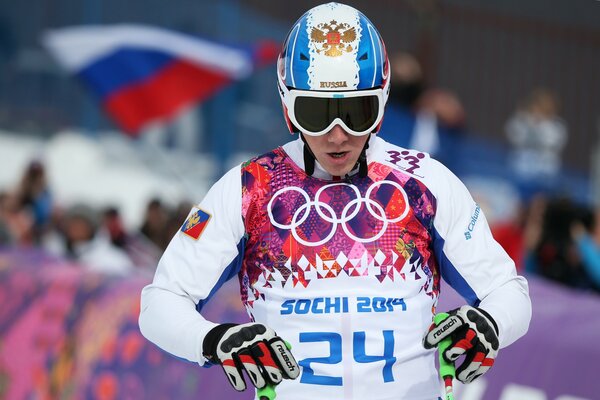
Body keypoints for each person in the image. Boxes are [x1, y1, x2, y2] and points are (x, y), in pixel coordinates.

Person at [139, 3, 531, 399]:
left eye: (356, 111)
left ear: (382, 103)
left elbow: (510, 291)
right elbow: (160, 304)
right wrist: (214, 340)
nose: (337, 135)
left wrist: (490, 322)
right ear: (287, 106)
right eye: (316, 112)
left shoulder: (426, 182)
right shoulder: (247, 189)